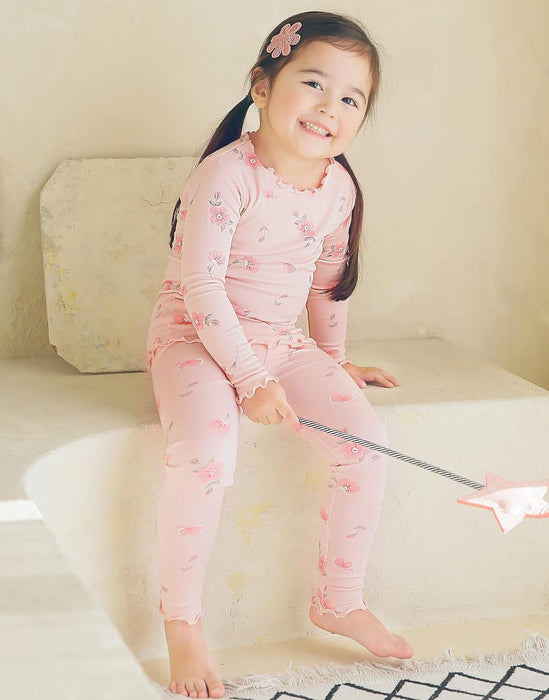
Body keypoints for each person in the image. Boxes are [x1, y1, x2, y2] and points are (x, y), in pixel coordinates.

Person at [145, 10, 413, 698]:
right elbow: (201, 288)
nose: (330, 107)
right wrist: (250, 379)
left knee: (366, 445)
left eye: (351, 98)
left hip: (276, 341)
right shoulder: (224, 176)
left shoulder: (339, 189)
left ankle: (338, 600)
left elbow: (326, 283)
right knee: (207, 450)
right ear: (262, 86)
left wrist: (333, 358)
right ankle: (182, 622)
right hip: (193, 337)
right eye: (314, 83)